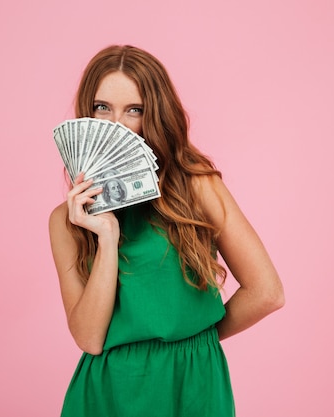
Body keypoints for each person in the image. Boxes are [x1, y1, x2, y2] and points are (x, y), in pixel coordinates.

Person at [48, 45, 284, 417]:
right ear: (87, 114)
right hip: (108, 390)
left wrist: (196, 339)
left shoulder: (198, 188)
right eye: (102, 107)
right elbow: (89, 339)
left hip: (192, 384)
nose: (115, 125)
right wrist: (106, 236)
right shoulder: (66, 220)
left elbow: (267, 292)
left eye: (134, 110)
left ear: (153, 114)